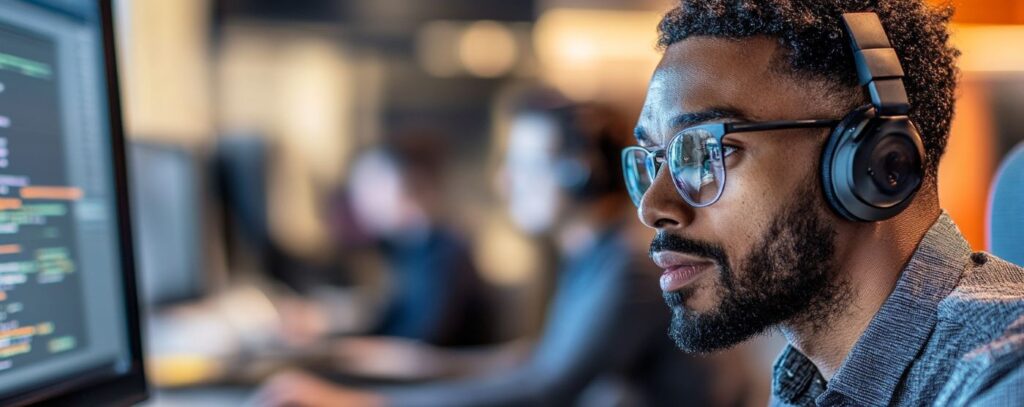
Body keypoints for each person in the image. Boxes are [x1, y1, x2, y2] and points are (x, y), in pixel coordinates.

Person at [624, 1, 1024, 406]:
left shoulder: (1004, 375)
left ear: (876, 162)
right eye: (654, 159)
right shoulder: (806, 383)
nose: (653, 207)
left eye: (704, 151)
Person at [252, 94, 741, 406]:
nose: (506, 182)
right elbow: (536, 362)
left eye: (526, 165)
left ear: (580, 175)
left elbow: (547, 388)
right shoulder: (592, 256)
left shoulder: (629, 266)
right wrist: (424, 365)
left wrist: (366, 405)